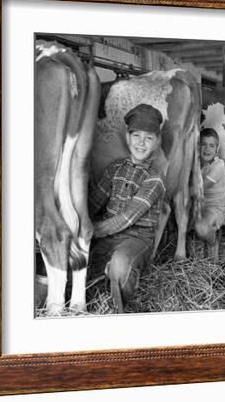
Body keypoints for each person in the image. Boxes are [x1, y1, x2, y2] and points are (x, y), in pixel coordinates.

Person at [88, 104, 166, 313]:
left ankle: (121, 308)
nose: (141, 143)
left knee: (120, 265)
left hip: (137, 238)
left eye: (148, 138)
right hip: (107, 238)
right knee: (81, 269)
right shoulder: (115, 168)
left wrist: (90, 231)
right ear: (127, 136)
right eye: (136, 135)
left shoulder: (155, 177)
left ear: (157, 142)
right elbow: (94, 203)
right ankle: (105, 287)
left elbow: (127, 218)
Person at [194, 128, 225, 260]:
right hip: (197, 206)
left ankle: (213, 244)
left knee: (201, 228)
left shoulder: (219, 165)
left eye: (211, 145)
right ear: (198, 146)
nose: (207, 149)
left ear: (217, 148)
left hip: (216, 206)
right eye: (203, 144)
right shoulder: (195, 163)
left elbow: (199, 188)